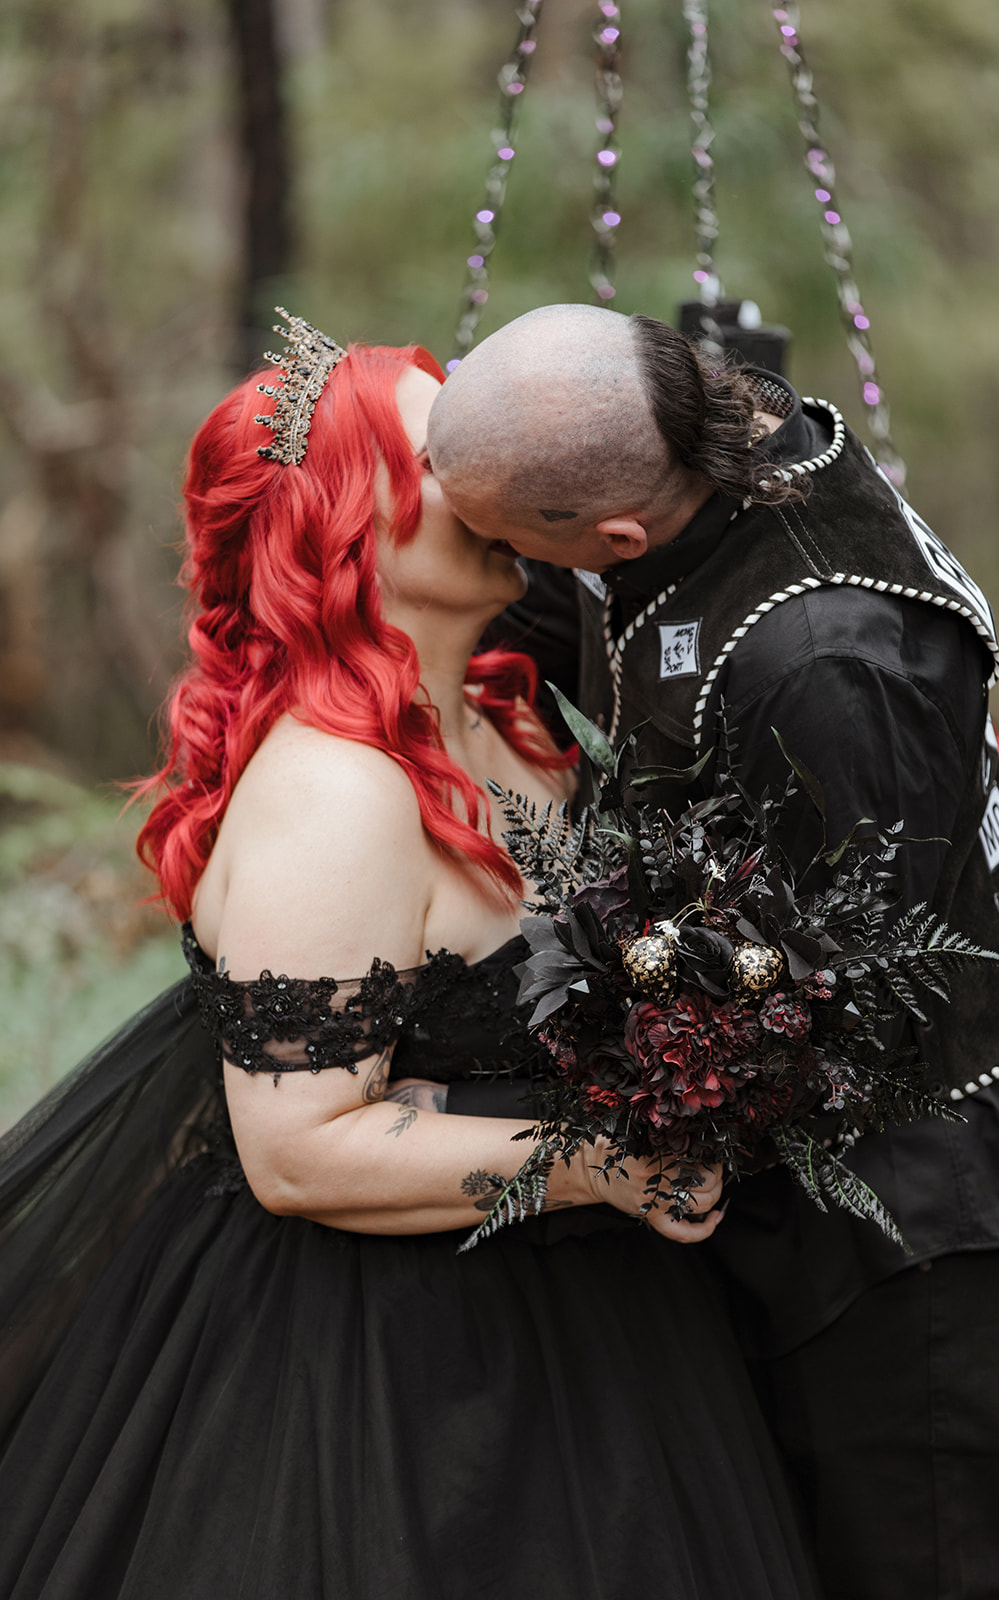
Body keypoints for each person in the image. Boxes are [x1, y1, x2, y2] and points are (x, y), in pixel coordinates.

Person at [0, 312, 824, 1600]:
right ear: (344, 532)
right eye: (439, 458)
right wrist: (600, 1163)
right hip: (396, 1371)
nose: (489, 473)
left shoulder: (514, 721)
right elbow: (297, 1151)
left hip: (606, 1327)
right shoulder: (334, 793)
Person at [426, 302, 999, 1600]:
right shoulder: (709, 428)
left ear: (616, 535)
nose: (491, 561)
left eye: (504, 543)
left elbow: (863, 1000)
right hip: (809, 1207)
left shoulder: (825, 662)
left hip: (922, 1236)